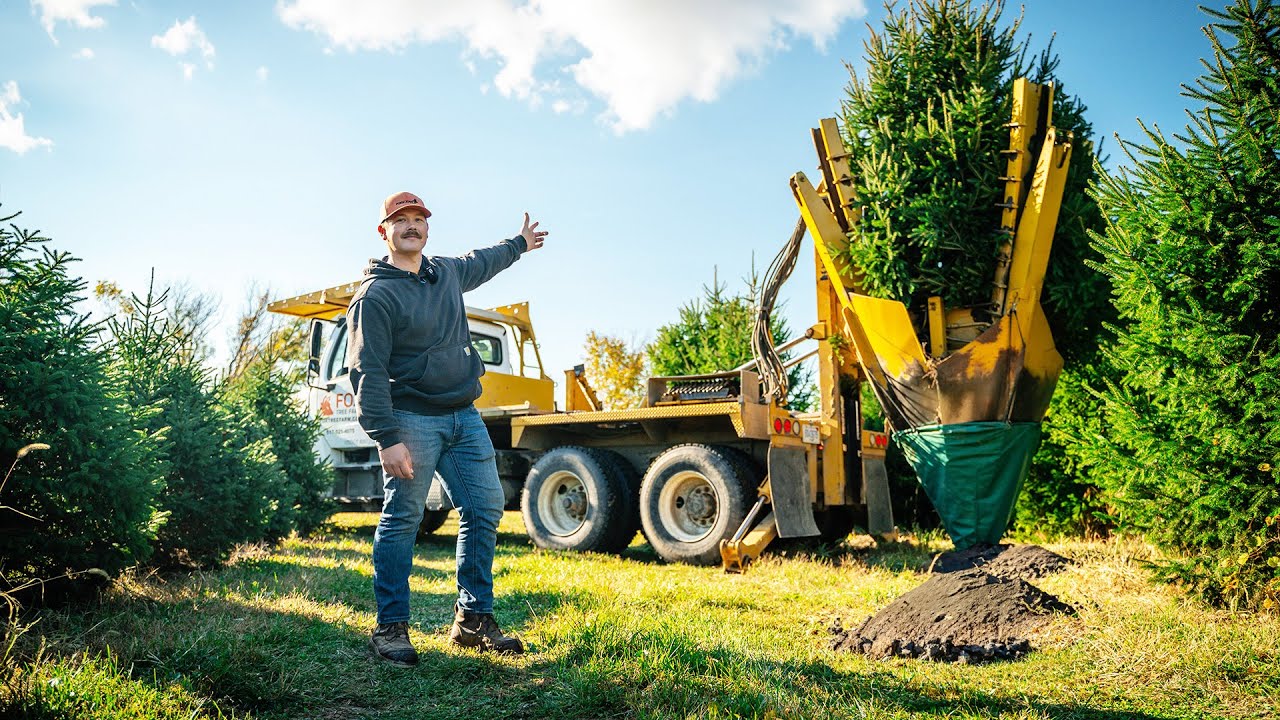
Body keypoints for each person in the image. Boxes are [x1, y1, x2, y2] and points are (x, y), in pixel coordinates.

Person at [347, 191, 547, 666]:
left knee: (485, 507)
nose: (411, 226)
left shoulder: (445, 273)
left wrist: (519, 243)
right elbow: (367, 371)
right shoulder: (375, 296)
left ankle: (473, 620)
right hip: (411, 420)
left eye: (419, 219)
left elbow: (484, 260)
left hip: (464, 415)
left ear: (427, 229)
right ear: (384, 232)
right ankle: (390, 628)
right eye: (401, 220)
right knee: (403, 520)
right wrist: (386, 438)